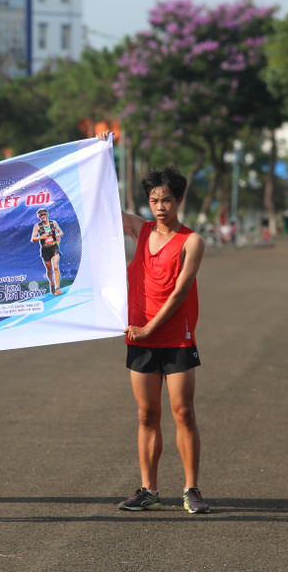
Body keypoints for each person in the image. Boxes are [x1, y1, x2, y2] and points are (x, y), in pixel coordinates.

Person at [113, 152, 210, 514]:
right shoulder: (141, 231)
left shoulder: (191, 241)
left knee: (183, 411)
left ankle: (191, 489)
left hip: (175, 337)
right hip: (140, 338)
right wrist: (100, 155)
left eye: (166, 199)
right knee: (146, 415)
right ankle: (148, 490)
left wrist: (150, 327)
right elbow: (106, 207)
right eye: (154, 200)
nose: (160, 206)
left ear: (179, 200)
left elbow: (180, 291)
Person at [30, 208, 63, 295]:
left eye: (44, 214)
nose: (43, 216)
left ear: (47, 214)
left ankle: (57, 288)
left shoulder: (53, 223)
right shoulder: (38, 226)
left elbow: (60, 232)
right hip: (45, 249)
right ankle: (51, 283)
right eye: (41, 215)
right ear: (39, 216)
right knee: (49, 269)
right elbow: (33, 239)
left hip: (54, 247)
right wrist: (41, 237)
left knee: (56, 267)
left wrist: (58, 234)